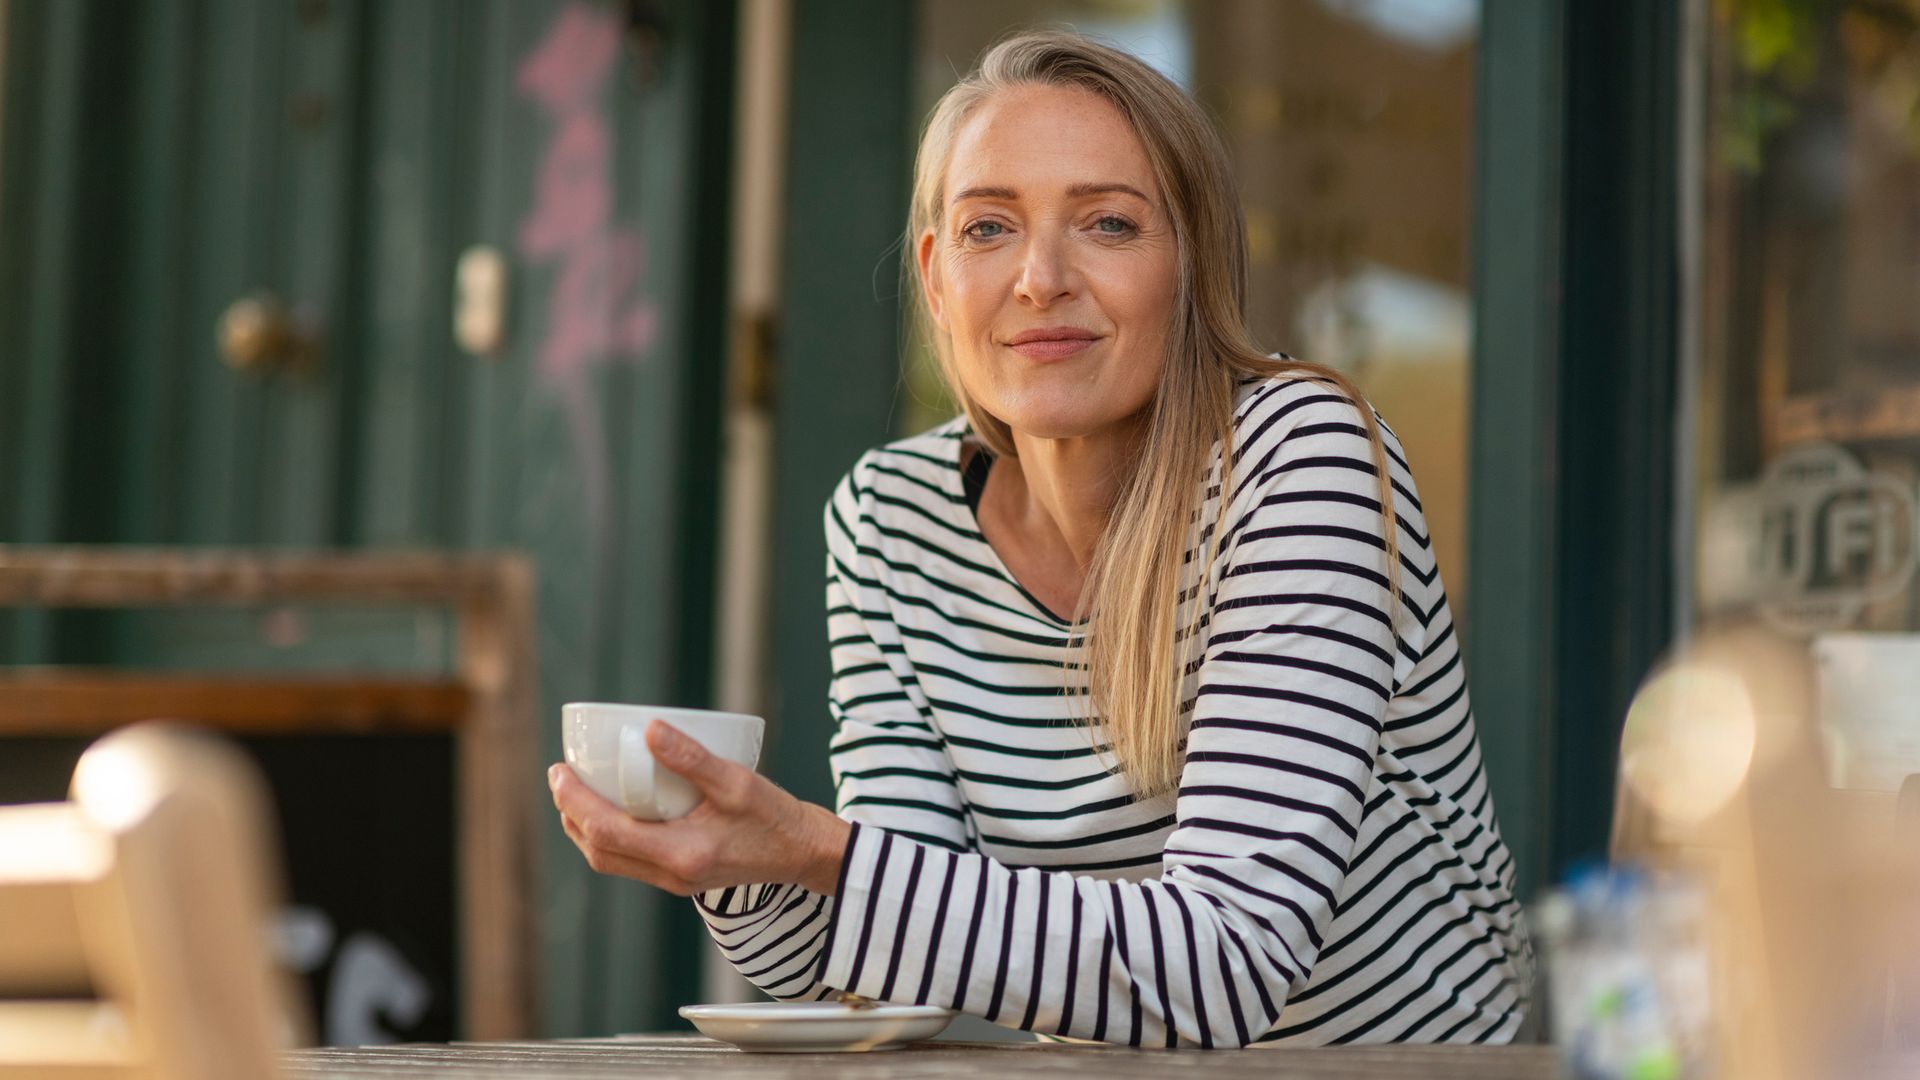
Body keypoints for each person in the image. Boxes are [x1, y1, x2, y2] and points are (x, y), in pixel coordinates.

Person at [549, 30, 1528, 1048]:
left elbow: (1227, 968)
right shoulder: (892, 518)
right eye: (988, 229)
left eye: (1107, 223)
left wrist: (817, 849)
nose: (1039, 278)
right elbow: (894, 972)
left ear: (1192, 264)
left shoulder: (1297, 460)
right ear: (935, 278)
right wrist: (735, 860)